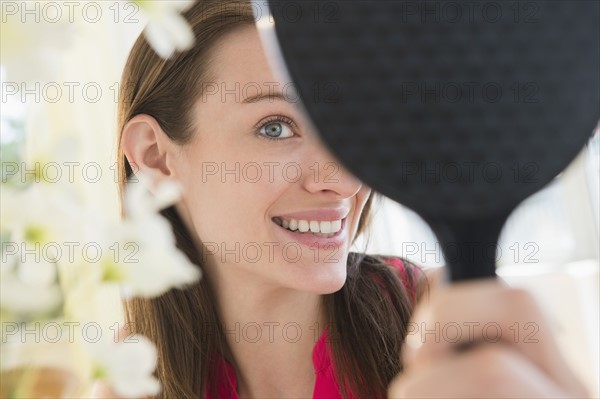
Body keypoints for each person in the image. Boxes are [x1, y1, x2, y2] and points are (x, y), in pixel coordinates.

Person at [94, 1, 590, 398]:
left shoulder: (445, 328)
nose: (343, 181)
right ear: (157, 158)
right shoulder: (131, 384)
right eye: (275, 127)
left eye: (346, 128)